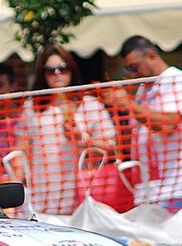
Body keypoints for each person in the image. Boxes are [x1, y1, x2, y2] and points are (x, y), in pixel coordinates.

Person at [101, 35, 182, 212]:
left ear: (151, 56)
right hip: (148, 192)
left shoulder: (178, 81)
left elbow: (168, 125)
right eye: (128, 69)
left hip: (178, 189)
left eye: (135, 67)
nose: (133, 74)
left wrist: (128, 104)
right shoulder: (143, 90)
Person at [14, 46, 118, 214]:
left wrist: (83, 140)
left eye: (63, 68)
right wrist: (16, 185)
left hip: (82, 197)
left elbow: (112, 145)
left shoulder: (89, 104)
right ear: (42, 74)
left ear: (72, 70)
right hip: (43, 198)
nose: (57, 73)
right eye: (50, 70)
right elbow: (20, 150)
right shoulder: (32, 107)